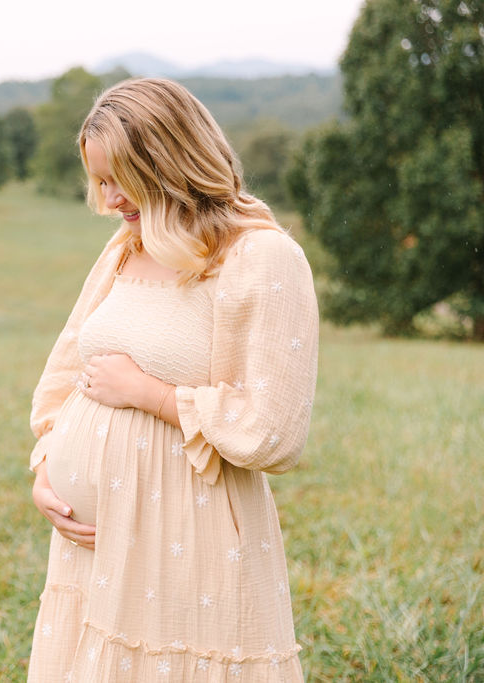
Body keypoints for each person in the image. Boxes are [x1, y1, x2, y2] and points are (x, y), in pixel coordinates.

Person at [26, 78, 318, 682]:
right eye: (98, 181)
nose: (107, 200)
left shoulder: (260, 258)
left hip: (187, 532)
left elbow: (274, 430)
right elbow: (65, 374)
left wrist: (151, 395)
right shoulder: (125, 247)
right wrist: (46, 469)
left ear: (168, 161)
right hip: (95, 548)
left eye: (118, 180)